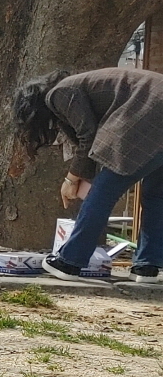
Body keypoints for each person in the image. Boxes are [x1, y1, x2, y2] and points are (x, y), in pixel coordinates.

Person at [15, 66, 163, 284]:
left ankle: (69, 262)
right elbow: (89, 144)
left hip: (148, 116)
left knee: (103, 193)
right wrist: (82, 174)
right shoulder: (85, 85)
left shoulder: (58, 93)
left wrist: (71, 179)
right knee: (157, 196)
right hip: (153, 110)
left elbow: (87, 136)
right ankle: (146, 267)